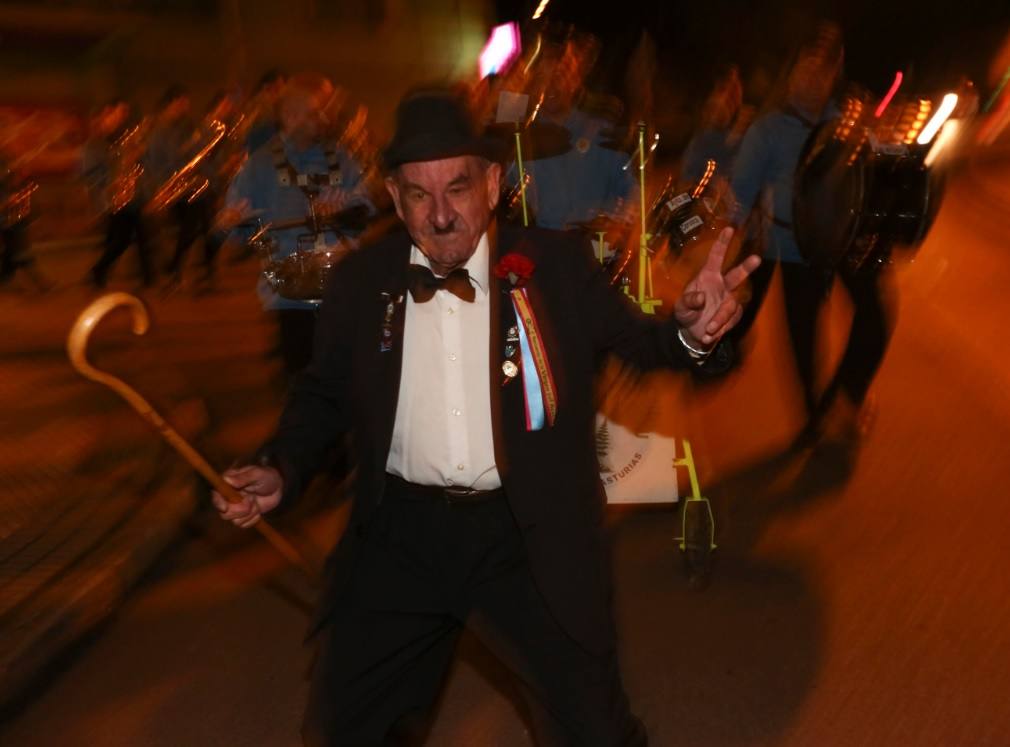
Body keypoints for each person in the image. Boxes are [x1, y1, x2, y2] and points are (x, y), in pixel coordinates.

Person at [213, 89, 760, 746]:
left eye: (458, 187)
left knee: (594, 733)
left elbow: (646, 345)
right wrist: (281, 466)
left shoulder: (555, 269)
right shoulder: (363, 281)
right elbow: (323, 394)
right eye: (419, 194)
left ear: (494, 185)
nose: (441, 214)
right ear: (395, 198)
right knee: (344, 731)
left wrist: (693, 333)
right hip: (400, 535)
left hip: (522, 536)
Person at [216, 72, 375, 379]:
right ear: (291, 116)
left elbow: (365, 207)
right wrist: (232, 220)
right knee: (301, 379)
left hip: (339, 291)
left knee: (344, 376)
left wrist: (347, 207)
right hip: (292, 299)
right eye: (316, 112)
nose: (325, 119)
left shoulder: (341, 158)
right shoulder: (260, 165)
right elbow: (237, 229)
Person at [83, 98, 156, 289]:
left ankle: (148, 278)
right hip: (113, 198)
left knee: (138, 237)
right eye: (121, 111)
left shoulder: (122, 136)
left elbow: (136, 164)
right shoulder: (97, 141)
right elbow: (93, 172)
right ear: (108, 112)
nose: (124, 116)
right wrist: (112, 182)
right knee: (121, 241)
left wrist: (137, 154)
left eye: (126, 112)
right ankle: (98, 271)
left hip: (131, 195)